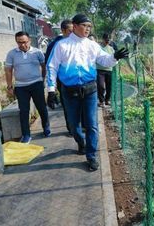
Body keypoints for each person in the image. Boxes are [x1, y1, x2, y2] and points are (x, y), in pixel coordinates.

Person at [46, 14, 129, 171]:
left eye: (89, 27)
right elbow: (52, 67)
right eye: (84, 25)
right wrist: (51, 90)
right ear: (75, 26)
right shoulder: (62, 46)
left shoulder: (92, 45)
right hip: (69, 92)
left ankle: (91, 156)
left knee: (92, 125)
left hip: (90, 90)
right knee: (73, 124)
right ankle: (81, 142)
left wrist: (115, 57)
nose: (87, 29)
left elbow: (104, 60)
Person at [5, 31, 50, 144]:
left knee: (42, 108)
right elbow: (8, 70)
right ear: (16, 42)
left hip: (36, 84)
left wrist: (43, 80)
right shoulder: (12, 54)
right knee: (24, 111)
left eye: (24, 42)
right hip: (21, 87)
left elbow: (44, 67)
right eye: (19, 43)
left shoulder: (37, 52)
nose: (22, 45)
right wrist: (9, 86)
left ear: (29, 40)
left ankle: (46, 127)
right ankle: (26, 134)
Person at [45, 20, 74, 135]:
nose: (72, 34)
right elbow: (50, 65)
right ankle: (71, 127)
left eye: (74, 31)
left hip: (76, 79)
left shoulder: (75, 42)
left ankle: (79, 125)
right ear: (63, 31)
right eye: (70, 31)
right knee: (67, 104)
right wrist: (52, 89)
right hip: (63, 80)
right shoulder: (54, 45)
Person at [96, 34, 115, 107]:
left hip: (109, 70)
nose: (107, 41)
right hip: (99, 70)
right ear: (103, 39)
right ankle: (101, 101)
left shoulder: (111, 49)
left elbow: (113, 59)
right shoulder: (99, 48)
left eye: (108, 40)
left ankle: (107, 100)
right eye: (106, 40)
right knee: (101, 86)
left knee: (109, 86)